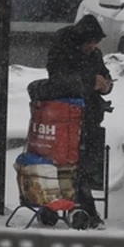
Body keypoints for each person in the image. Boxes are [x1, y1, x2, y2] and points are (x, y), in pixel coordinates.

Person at [45, 14, 113, 228]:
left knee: (86, 164)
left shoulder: (95, 54)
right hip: (67, 116)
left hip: (90, 115)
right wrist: (89, 81)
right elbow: (58, 79)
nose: (93, 47)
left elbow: (105, 76)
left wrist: (106, 85)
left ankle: (83, 205)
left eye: (96, 43)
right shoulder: (61, 49)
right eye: (90, 42)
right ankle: (87, 209)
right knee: (74, 163)